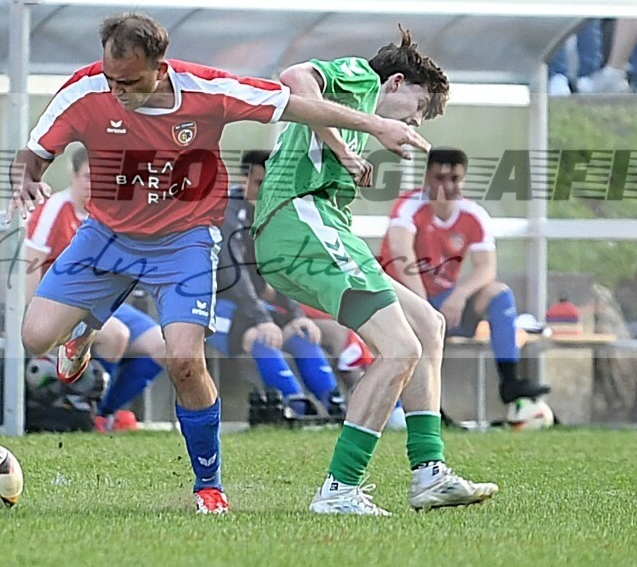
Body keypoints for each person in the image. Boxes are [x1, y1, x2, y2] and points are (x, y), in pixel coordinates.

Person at [8, 12, 430, 514]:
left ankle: (208, 486)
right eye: (110, 78)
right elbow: (34, 151)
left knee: (185, 362)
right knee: (35, 338)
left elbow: (294, 104)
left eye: (130, 82)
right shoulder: (87, 88)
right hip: (107, 235)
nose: (116, 91)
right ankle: (84, 326)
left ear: (160, 67)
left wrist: (377, 124)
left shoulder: (206, 89)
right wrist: (27, 177)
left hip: (184, 241)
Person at [253, 29, 498, 515]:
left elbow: (317, 115)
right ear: (397, 82)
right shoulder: (362, 78)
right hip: (298, 223)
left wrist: (347, 147)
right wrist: (360, 137)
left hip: (314, 229)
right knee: (400, 348)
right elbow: (294, 77)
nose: (416, 120)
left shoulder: (352, 115)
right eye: (419, 106)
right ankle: (339, 489)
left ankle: (428, 472)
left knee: (428, 325)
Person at [380, 147, 550, 405]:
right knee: (413, 334)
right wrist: (422, 306)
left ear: (463, 180)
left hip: (444, 301)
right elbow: (400, 255)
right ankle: (413, 405)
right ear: (427, 178)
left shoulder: (474, 214)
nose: (447, 186)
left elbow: (486, 268)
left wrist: (459, 295)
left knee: (499, 294)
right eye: (439, 178)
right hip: (406, 300)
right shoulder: (409, 206)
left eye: (454, 179)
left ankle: (510, 381)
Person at [24, 146, 166, 432]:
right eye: (89, 177)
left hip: (104, 305)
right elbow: (29, 265)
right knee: (116, 335)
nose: (95, 184)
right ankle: (90, 414)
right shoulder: (54, 209)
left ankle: (106, 414)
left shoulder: (111, 213)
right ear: (73, 176)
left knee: (165, 346)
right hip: (60, 305)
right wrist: (34, 316)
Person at [215, 150, 342, 416]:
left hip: (249, 305)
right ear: (244, 179)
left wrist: (296, 315)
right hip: (211, 305)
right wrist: (261, 318)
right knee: (261, 337)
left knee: (301, 333)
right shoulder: (226, 211)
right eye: (261, 183)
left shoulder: (273, 213)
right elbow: (233, 273)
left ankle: (334, 407)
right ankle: (298, 408)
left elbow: (281, 267)